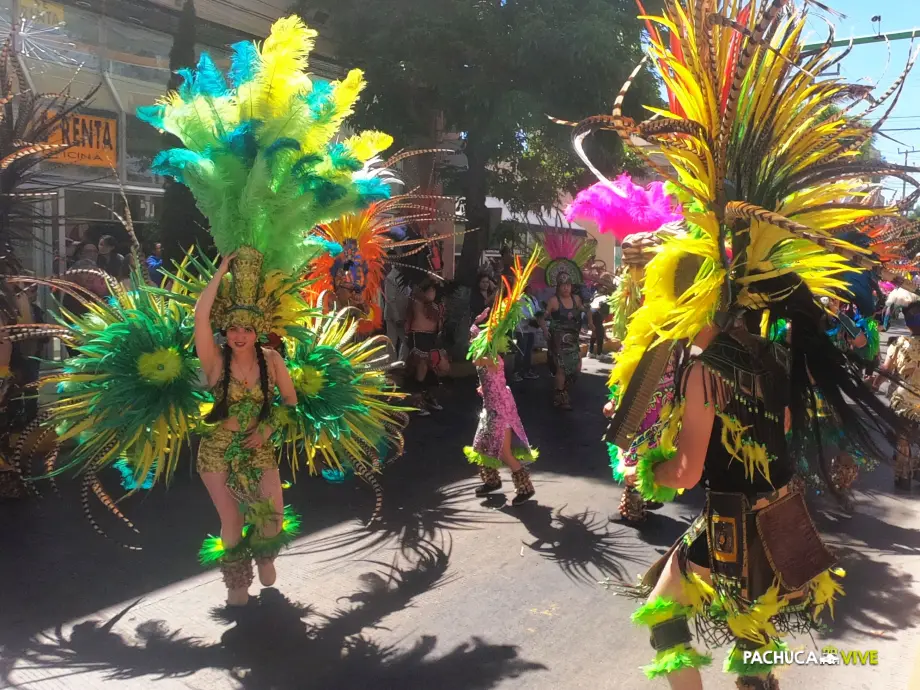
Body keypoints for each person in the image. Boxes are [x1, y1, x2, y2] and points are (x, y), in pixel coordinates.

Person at [584, 3, 909, 687]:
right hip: (779, 516)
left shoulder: (706, 371)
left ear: (689, 298)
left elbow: (689, 472)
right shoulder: (768, 354)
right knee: (749, 644)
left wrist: (642, 469)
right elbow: (785, 425)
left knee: (663, 615)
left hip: (733, 525)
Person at [194, 251, 299, 606]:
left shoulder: (271, 360)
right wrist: (221, 271)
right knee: (233, 519)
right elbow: (200, 317)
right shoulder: (214, 361)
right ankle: (237, 580)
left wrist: (267, 431)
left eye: (247, 329)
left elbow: (290, 402)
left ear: (257, 332)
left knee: (272, 517)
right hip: (217, 450)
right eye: (234, 328)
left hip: (259, 446)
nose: (239, 335)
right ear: (226, 331)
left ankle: (266, 555)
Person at [465, 250, 540, 504]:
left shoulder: (488, 355)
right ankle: (491, 481)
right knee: (481, 444)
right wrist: (481, 321)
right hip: (492, 406)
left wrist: (480, 328)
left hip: (499, 409)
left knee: (504, 451)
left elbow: (476, 355)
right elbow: (476, 340)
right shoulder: (488, 350)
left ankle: (525, 487)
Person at [872, 301, 920, 489]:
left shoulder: (901, 343)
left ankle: (903, 477)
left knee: (903, 439)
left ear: (908, 324)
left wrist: (874, 384)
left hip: (904, 403)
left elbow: (885, 370)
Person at [406, 279, 448, 415]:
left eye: (434, 291)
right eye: (430, 290)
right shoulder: (416, 300)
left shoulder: (437, 306)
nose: (432, 293)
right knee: (421, 366)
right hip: (418, 336)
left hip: (432, 337)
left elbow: (440, 324)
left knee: (435, 366)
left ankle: (429, 397)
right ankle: (417, 400)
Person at [545, 274, 586, 410]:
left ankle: (562, 389)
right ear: (558, 286)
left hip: (573, 338)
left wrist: (591, 321)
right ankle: (561, 396)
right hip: (558, 340)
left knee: (577, 366)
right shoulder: (553, 301)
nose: (566, 288)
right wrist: (545, 329)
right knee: (561, 368)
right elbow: (541, 316)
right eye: (563, 285)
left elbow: (584, 310)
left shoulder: (576, 299)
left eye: (568, 284)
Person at [512, 284, 541, 382]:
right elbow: (521, 312)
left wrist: (540, 314)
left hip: (531, 328)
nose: (531, 288)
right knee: (521, 351)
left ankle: (526, 371)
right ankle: (516, 372)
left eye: (531, 287)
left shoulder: (533, 298)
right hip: (522, 328)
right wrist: (532, 317)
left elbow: (537, 309)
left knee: (529, 350)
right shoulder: (520, 298)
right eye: (528, 287)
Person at [384, 265, 409, 362]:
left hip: (402, 314)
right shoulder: (391, 277)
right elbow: (390, 299)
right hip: (392, 316)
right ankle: (390, 364)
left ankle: (401, 363)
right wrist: (397, 317)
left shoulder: (403, 276)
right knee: (392, 341)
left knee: (405, 341)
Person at [589, 287, 610, 358]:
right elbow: (603, 311)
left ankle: (590, 352)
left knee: (594, 332)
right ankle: (599, 354)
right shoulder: (606, 298)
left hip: (590, 312)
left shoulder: (596, 295)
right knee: (600, 333)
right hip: (596, 313)